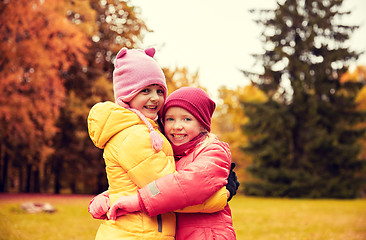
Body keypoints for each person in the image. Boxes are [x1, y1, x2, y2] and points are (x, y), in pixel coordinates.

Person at [87, 47, 233, 239]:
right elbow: (169, 189)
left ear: (203, 124)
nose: (155, 98)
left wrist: (115, 196)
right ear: (127, 94)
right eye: (170, 119)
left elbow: (158, 185)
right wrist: (224, 195)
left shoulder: (207, 149)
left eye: (159, 91)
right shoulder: (136, 135)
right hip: (138, 233)